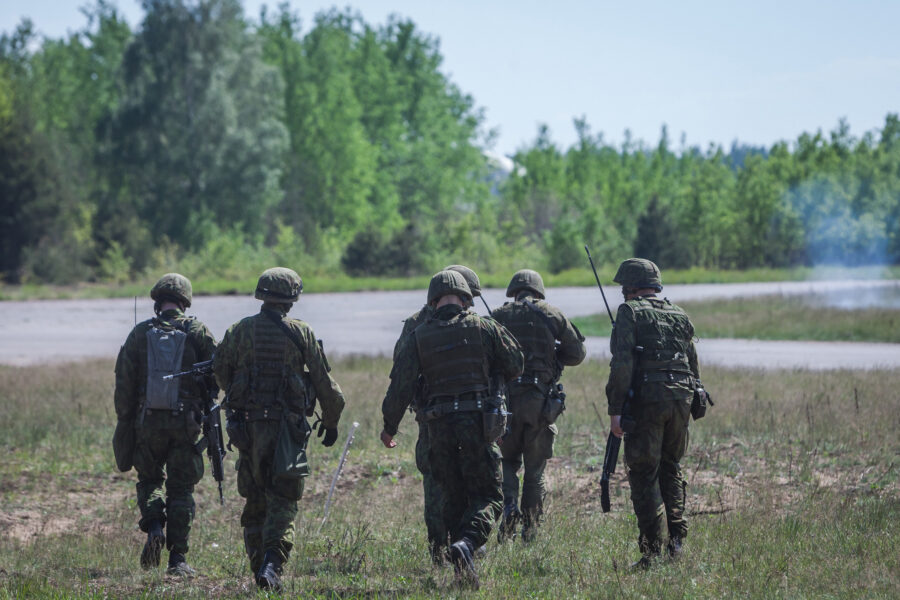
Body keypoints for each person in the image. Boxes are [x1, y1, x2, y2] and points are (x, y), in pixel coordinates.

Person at [380, 270, 523, 588]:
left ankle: (462, 572)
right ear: (466, 298)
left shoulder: (418, 335)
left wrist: (390, 426)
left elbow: (400, 385)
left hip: (436, 428)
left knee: (453, 498)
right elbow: (515, 363)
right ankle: (468, 544)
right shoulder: (484, 326)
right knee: (490, 495)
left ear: (433, 301)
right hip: (476, 423)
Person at [213, 267, 345, 591]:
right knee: (284, 501)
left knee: (255, 501)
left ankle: (260, 569)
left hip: (247, 430)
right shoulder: (302, 332)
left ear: (262, 294)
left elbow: (220, 371)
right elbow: (326, 386)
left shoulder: (239, 331)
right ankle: (272, 566)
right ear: (293, 298)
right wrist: (330, 421)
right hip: (288, 432)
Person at [113, 273, 217, 576]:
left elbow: (124, 383)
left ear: (158, 302)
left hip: (147, 423)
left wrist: (126, 420)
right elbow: (219, 374)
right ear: (185, 301)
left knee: (149, 481)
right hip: (186, 425)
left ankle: (155, 525)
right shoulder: (197, 331)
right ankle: (178, 560)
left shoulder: (140, 333)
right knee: (181, 489)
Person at [605, 258, 700, 568]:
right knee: (671, 467)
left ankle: (651, 553)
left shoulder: (628, 312)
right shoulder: (679, 313)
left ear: (630, 287)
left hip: (648, 403)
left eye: (623, 288)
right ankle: (677, 543)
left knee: (644, 473)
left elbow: (622, 365)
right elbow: (692, 363)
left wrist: (616, 410)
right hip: (681, 401)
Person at [389, 265, 485, 565]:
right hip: (462, 416)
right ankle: (462, 543)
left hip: (430, 417)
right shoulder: (472, 323)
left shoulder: (415, 324)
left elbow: (399, 370)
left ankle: (440, 550)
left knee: (435, 482)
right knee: (465, 479)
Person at [491, 269, 586, 542]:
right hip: (540, 404)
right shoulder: (552, 314)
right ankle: (530, 530)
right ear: (539, 291)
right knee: (534, 471)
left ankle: (509, 504)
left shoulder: (498, 315)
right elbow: (577, 354)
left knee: (507, 461)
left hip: (505, 403)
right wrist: (554, 354)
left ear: (513, 291)